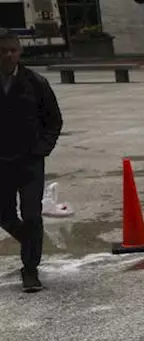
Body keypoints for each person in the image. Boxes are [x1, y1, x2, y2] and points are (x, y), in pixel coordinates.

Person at [0, 28, 62, 293]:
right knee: (4, 215)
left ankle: (30, 270)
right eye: (3, 51)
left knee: (32, 215)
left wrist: (41, 149)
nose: (8, 55)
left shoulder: (36, 83)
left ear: (19, 51)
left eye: (13, 50)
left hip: (29, 162)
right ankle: (30, 241)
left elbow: (54, 120)